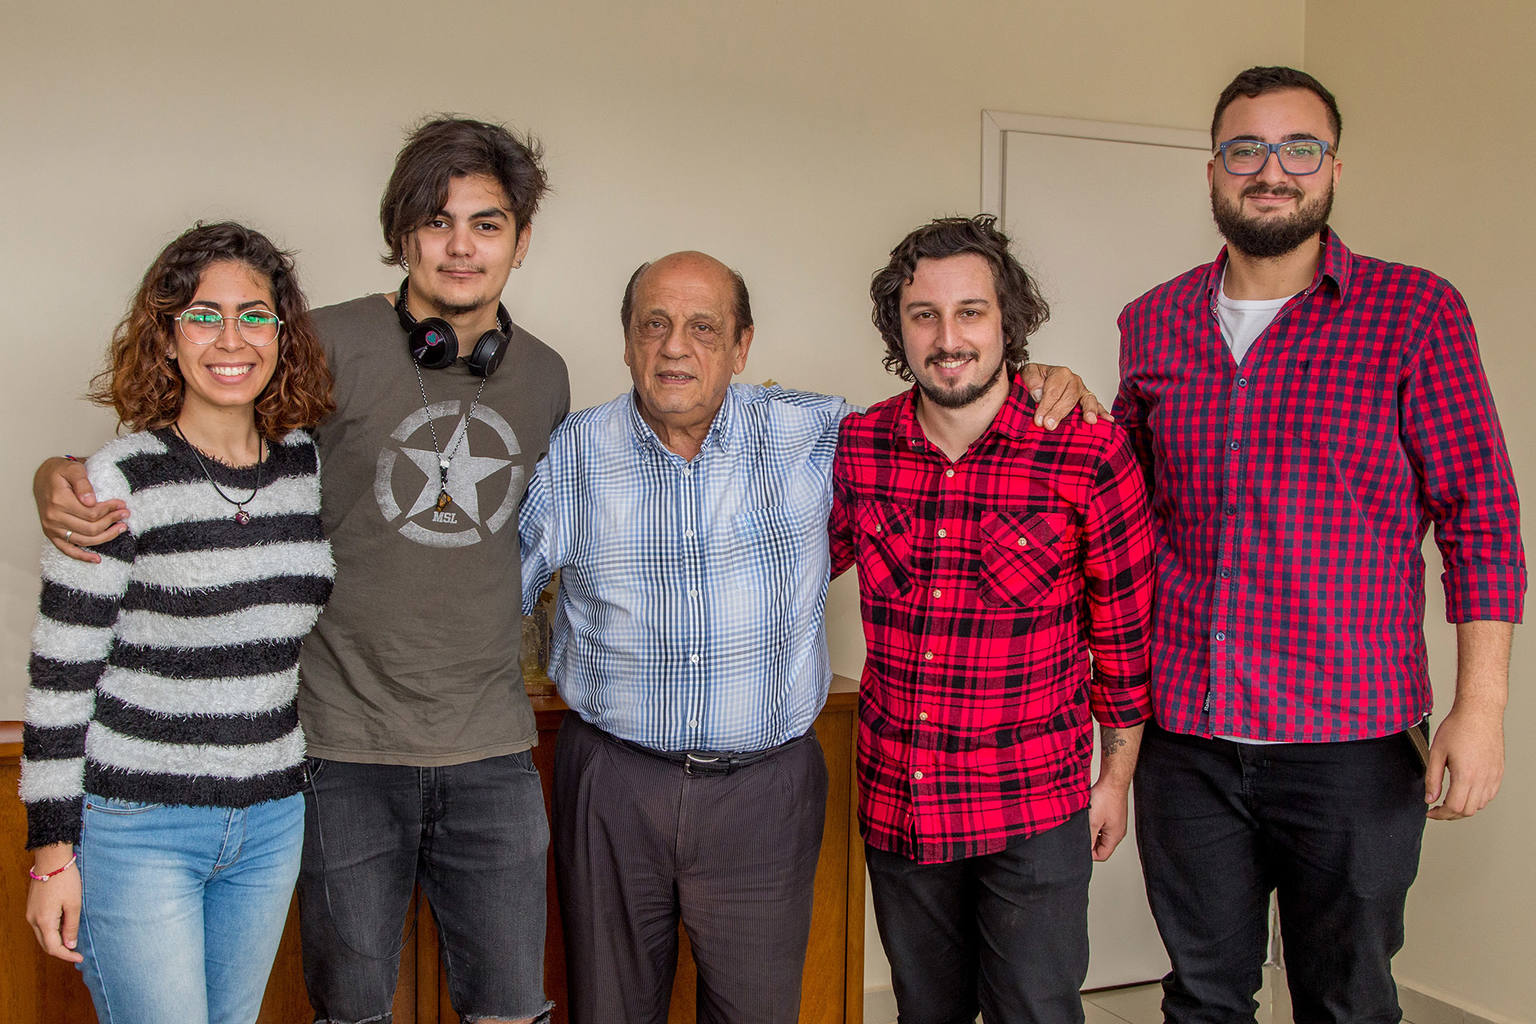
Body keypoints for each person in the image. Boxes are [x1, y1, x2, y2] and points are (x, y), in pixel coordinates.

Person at [33, 118, 568, 1024]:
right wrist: (56, 477)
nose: (461, 245)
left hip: (490, 746)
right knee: (349, 1008)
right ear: (402, 235)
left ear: (522, 239)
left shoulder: (546, 376)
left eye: (487, 223)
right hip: (334, 747)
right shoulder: (320, 343)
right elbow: (209, 446)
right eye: (436, 222)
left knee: (513, 1008)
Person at [518, 250, 1102, 1024]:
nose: (674, 347)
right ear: (626, 341)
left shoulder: (821, 435)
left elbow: (942, 413)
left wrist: (1033, 378)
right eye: (652, 325)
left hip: (766, 791)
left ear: (741, 345)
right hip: (612, 785)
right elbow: (490, 597)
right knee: (609, 1010)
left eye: (703, 327)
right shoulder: (572, 453)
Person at [1114, 66, 1525, 1023]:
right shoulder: (1153, 321)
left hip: (1351, 744)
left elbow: (1481, 519)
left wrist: (1482, 707)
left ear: (1333, 168)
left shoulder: (1416, 314)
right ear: (1212, 170)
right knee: (1203, 994)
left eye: (1300, 148)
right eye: (1245, 148)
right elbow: (1122, 515)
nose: (1273, 170)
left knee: (1346, 999)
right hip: (1188, 738)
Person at [828, 215, 1155, 1024]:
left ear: (1008, 321)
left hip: (1031, 809)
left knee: (1035, 1013)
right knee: (924, 1013)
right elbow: (780, 566)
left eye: (971, 311)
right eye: (924, 314)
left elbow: (1124, 636)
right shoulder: (861, 446)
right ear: (895, 328)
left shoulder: (1088, 451)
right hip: (901, 803)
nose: (948, 337)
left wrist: (1115, 779)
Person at [20, 221, 336, 1024]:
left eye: (254, 315)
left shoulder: (305, 464)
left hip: (271, 821)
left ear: (281, 334)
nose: (231, 338)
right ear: (166, 338)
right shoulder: (117, 479)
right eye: (203, 315)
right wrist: (52, 855)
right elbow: (62, 679)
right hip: (140, 826)